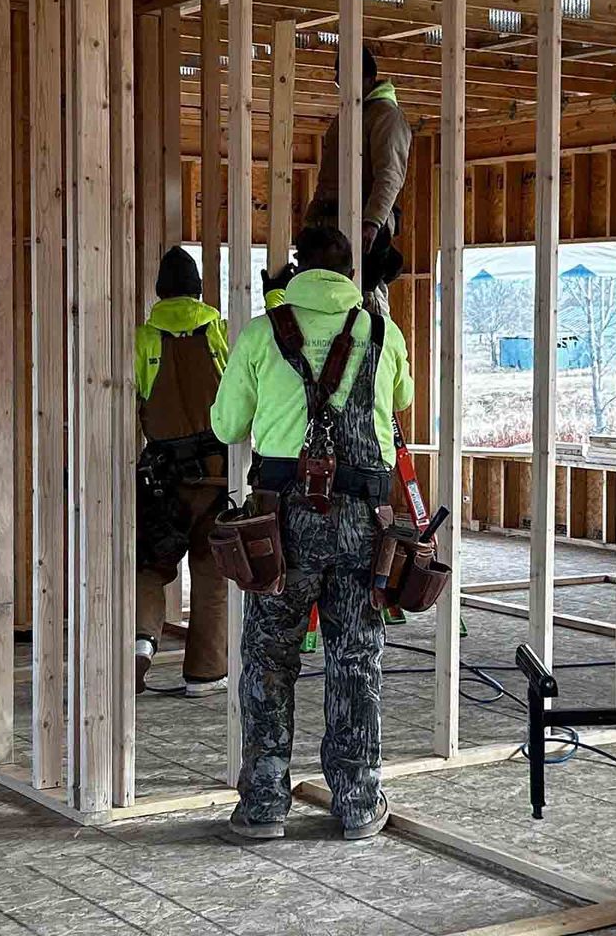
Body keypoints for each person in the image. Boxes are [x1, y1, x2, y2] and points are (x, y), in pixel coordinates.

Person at [211, 224, 415, 841]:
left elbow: (226, 426)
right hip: (363, 524)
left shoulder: (260, 332)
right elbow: (400, 398)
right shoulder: (383, 331)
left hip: (281, 525)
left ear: (297, 267)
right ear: (351, 272)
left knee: (270, 657)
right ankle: (356, 802)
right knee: (357, 657)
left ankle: (266, 803)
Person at [133, 247, 231, 696]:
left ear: (159, 292)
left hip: (163, 479)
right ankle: (205, 674)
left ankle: (139, 644)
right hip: (216, 475)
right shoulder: (220, 333)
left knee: (151, 567)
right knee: (211, 571)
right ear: (198, 290)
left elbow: (131, 405)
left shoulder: (144, 339)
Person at [303, 46, 412, 316]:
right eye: (339, 81)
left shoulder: (386, 116)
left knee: (366, 306)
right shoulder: (348, 116)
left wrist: (372, 222)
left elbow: (390, 175)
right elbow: (329, 173)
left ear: (367, 77)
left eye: (347, 80)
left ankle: (378, 353)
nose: (342, 87)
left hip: (363, 232)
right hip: (336, 226)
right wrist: (314, 215)